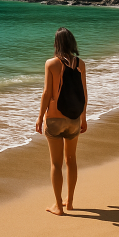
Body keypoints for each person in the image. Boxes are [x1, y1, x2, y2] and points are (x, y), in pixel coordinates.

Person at [35, 27, 88, 216]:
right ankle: (70, 202)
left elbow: (47, 93)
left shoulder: (51, 64)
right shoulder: (80, 64)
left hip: (55, 119)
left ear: (56, 43)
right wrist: (83, 117)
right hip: (73, 118)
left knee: (56, 163)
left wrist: (40, 117)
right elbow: (84, 93)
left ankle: (58, 206)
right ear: (71, 42)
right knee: (71, 161)